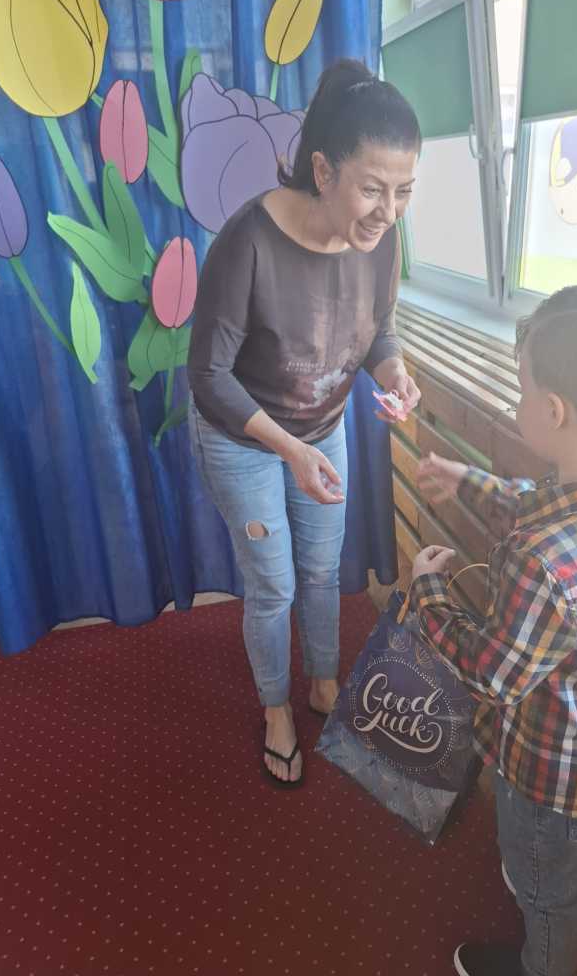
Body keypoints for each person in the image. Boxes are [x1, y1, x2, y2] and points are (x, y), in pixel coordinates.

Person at [409, 281, 577, 976]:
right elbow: (544, 504)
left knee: (548, 895)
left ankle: (543, 960)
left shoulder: (543, 564)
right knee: (549, 864)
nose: (517, 400)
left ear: (554, 411)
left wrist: (429, 592)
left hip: (547, 770)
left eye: (522, 387)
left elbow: (490, 676)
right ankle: (533, 873)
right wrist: (468, 480)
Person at [187, 59, 422, 788]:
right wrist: (289, 448)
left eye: (405, 191)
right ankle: (276, 709)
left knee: (323, 570)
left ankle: (323, 682)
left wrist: (394, 372)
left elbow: (378, 330)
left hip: (320, 434)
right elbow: (207, 377)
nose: (388, 211)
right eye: (373, 189)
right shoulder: (248, 240)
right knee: (275, 586)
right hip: (245, 438)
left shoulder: (381, 242)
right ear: (323, 171)